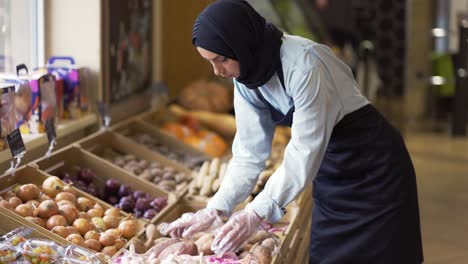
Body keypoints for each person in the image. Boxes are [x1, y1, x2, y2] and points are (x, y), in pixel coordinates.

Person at [159, 1, 423, 263]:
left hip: (375, 167)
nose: (218, 72)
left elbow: (305, 149)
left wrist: (255, 214)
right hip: (331, 168)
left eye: (222, 59)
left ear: (242, 42)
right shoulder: (246, 77)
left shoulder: (306, 65)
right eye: (210, 62)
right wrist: (217, 208)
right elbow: (249, 154)